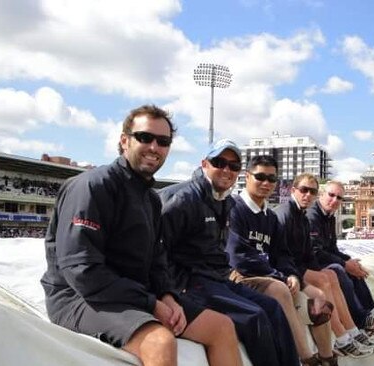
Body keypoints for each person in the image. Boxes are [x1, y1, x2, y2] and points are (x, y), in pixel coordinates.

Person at [40, 105, 241, 366]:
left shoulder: (151, 199)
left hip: (132, 294)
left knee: (222, 327)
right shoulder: (92, 186)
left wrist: (168, 295)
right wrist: (151, 303)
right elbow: (82, 271)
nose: (154, 147)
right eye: (145, 137)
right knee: (160, 341)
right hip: (79, 298)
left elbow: (157, 259)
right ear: (125, 141)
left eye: (163, 141)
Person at [159, 139, 299, 366]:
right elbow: (157, 250)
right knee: (254, 316)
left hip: (215, 278)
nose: (227, 170)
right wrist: (171, 290)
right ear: (205, 164)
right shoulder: (183, 200)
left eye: (233, 166)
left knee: (272, 307)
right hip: (189, 281)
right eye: (219, 162)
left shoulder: (223, 201)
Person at [226, 155, 337, 366]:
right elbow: (238, 257)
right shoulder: (234, 209)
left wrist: (292, 275)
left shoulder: (270, 217)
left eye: (272, 178)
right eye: (260, 177)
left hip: (271, 277)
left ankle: (327, 359)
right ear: (247, 177)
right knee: (279, 290)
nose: (266, 183)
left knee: (319, 307)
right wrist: (279, 276)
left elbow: (283, 254)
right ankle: (307, 359)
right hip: (240, 277)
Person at [274, 173, 374, 359]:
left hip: (297, 265)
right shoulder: (286, 214)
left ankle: (352, 331)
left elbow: (308, 253)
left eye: (311, 191)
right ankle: (342, 337)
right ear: (293, 190)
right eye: (304, 190)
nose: (307, 195)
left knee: (330, 274)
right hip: (287, 269)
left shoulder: (302, 217)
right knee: (327, 276)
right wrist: (302, 273)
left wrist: (321, 270)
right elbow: (281, 255)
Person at [306, 180, 374, 333]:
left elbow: (332, 248)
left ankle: (372, 312)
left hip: (320, 259)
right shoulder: (312, 216)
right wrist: (344, 263)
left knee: (352, 264)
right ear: (321, 195)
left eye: (339, 198)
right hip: (311, 264)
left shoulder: (329, 216)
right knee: (339, 269)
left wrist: (348, 261)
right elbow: (315, 252)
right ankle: (361, 318)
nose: (335, 200)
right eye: (331, 195)